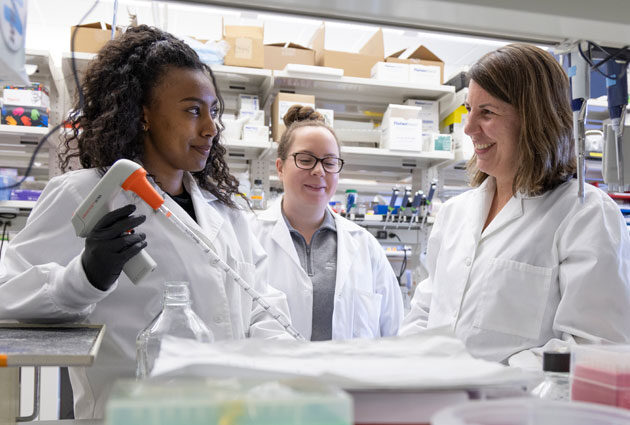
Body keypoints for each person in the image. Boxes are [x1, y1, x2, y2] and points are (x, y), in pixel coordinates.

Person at [0, 25, 293, 418]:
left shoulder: (228, 213)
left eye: (213, 111)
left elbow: (264, 308)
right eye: (192, 110)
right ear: (144, 114)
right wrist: (84, 277)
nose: (210, 128)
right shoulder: (83, 194)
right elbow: (7, 296)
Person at [400, 43, 630, 366]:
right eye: (469, 110)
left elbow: (594, 349)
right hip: (438, 406)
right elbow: (425, 311)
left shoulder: (586, 215)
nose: (468, 128)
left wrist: (490, 380)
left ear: (535, 119)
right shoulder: (455, 213)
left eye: (487, 113)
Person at [252, 105, 403, 341]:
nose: (319, 171)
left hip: (351, 377)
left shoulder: (365, 246)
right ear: (280, 168)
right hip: (276, 377)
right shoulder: (250, 238)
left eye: (330, 162)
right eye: (305, 159)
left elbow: (394, 332)